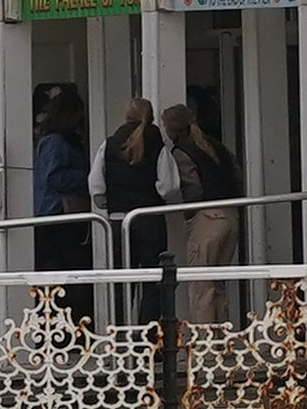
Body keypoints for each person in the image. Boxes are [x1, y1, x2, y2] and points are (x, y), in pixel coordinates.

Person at [161, 103, 249, 322]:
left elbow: (193, 188)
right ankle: (219, 340)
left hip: (207, 217)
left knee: (202, 285)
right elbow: (237, 175)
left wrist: (187, 213)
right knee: (217, 283)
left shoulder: (181, 151)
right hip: (231, 215)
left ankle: (204, 346)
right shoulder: (215, 145)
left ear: (172, 129)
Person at [99, 99, 170, 322]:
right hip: (150, 219)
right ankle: (147, 341)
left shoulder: (109, 144)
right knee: (153, 281)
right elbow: (169, 186)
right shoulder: (157, 144)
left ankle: (120, 339)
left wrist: (108, 203)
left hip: (119, 221)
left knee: (121, 282)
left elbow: (95, 184)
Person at [29, 83, 92, 291]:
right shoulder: (56, 142)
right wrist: (86, 177)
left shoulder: (51, 140)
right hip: (56, 214)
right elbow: (53, 178)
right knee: (62, 272)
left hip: (51, 214)